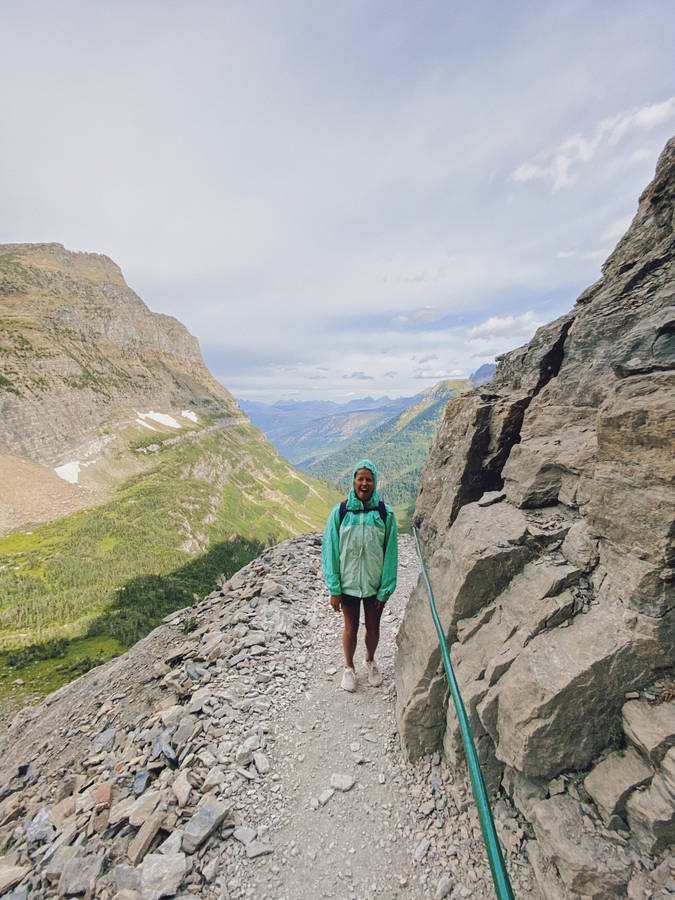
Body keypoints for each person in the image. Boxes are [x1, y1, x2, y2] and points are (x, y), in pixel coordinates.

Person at [321, 459, 398, 692]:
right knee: (350, 628)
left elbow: (391, 554)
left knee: (373, 628)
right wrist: (334, 589)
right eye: (360, 479)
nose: (364, 483)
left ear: (375, 482)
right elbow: (330, 551)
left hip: (374, 585)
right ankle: (349, 667)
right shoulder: (340, 512)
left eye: (369, 479)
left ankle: (370, 660)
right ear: (353, 481)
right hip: (348, 584)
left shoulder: (385, 514)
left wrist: (385, 589)